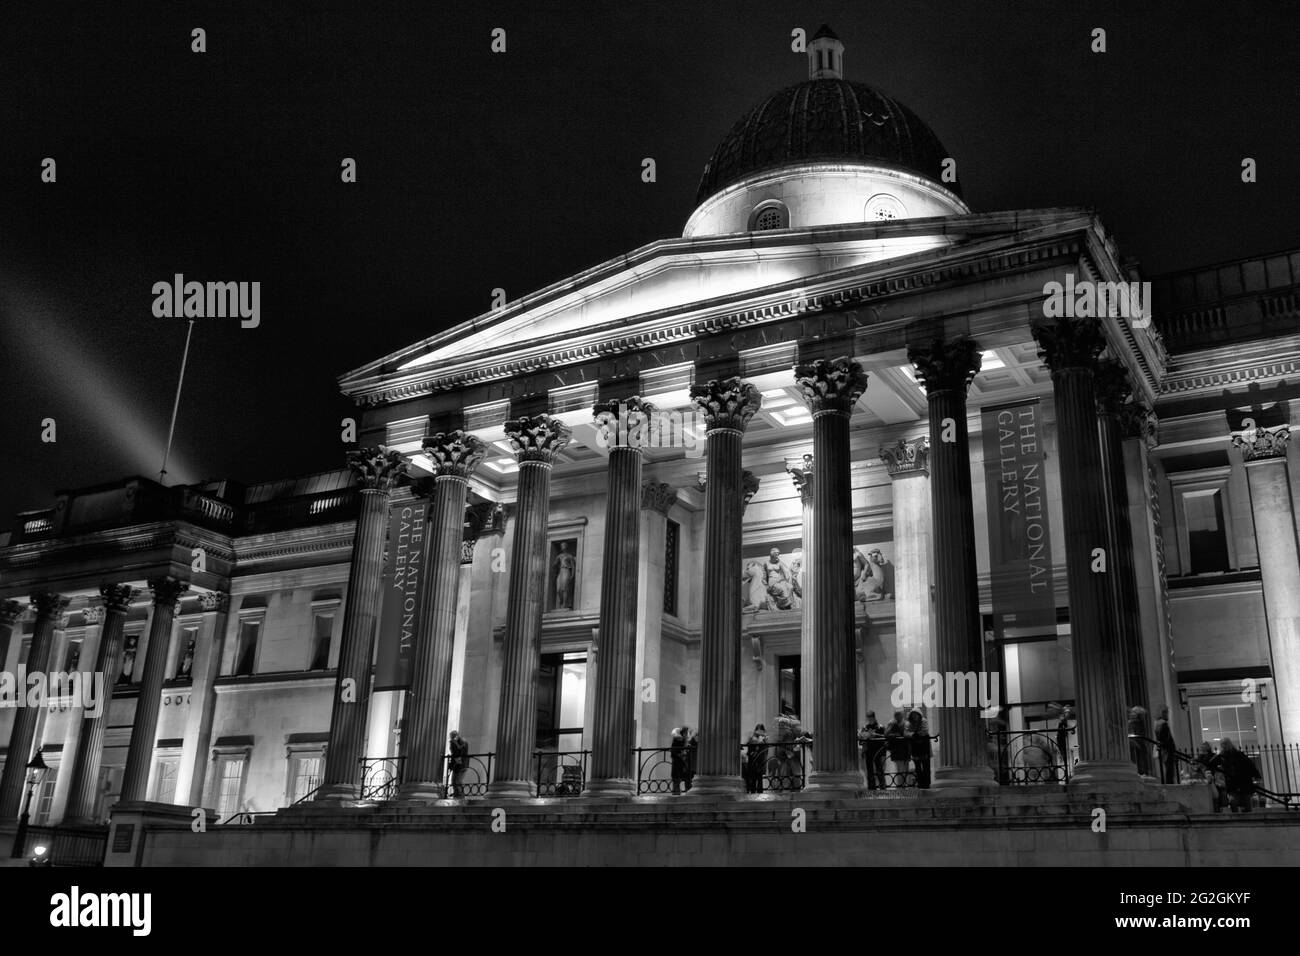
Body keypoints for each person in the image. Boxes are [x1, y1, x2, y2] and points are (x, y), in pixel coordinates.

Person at [1209, 738, 1261, 813]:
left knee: (1245, 801)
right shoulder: (1223, 756)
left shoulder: (1237, 754)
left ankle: (1246, 816)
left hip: (1242, 781)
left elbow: (1249, 765)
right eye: (1222, 744)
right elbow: (1211, 763)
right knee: (1234, 801)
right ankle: (1239, 815)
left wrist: (1256, 775)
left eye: (1225, 744)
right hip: (1234, 782)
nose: (1223, 746)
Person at [857, 711, 887, 790]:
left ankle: (882, 787)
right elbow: (861, 740)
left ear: (874, 717)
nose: (869, 719)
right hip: (869, 751)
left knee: (879, 769)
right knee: (869, 770)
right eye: (868, 718)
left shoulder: (880, 727)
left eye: (871, 718)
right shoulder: (864, 727)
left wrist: (875, 735)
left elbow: (885, 737)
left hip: (878, 751)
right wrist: (864, 737)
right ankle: (871, 787)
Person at [907, 708, 932, 789]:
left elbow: (924, 731)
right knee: (917, 767)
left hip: (924, 747)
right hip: (915, 748)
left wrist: (914, 734)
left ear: (919, 715)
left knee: (926, 766)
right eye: (913, 715)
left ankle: (927, 784)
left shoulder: (924, 721)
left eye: (916, 714)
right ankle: (920, 783)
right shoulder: (910, 723)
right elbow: (906, 732)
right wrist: (913, 734)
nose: (914, 716)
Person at [884, 709, 910, 785]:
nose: (898, 716)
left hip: (905, 749)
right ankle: (900, 785)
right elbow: (886, 734)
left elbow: (907, 733)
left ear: (902, 715)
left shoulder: (906, 723)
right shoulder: (892, 723)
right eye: (896, 715)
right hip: (896, 750)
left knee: (905, 769)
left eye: (899, 714)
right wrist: (894, 734)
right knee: (899, 769)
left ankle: (905, 785)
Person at [1153, 707, 1178, 783]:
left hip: (1164, 749)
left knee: (1167, 768)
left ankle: (1167, 782)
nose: (1168, 715)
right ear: (1163, 713)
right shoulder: (1163, 723)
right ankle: (1169, 783)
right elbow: (1166, 738)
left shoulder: (1157, 723)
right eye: (1167, 713)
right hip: (1167, 749)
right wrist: (1172, 747)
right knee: (1169, 769)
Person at [1127, 706, 1151, 776]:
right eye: (1142, 715)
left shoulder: (1133, 722)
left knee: (1139, 758)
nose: (1143, 716)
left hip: (1137, 742)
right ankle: (1142, 772)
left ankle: (1141, 771)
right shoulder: (1136, 722)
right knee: (1140, 758)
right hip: (1137, 743)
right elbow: (1135, 732)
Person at [744, 724, 768, 794]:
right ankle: (752, 791)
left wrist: (762, 742)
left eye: (761, 730)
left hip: (760, 760)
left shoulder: (764, 739)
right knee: (753, 777)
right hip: (753, 760)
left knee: (759, 777)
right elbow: (749, 749)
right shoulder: (752, 739)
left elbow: (765, 751)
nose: (759, 731)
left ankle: (759, 791)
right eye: (757, 729)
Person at [447, 730, 470, 797]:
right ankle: (457, 794)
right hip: (460, 764)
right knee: (454, 781)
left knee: (457, 781)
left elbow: (456, 753)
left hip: (460, 764)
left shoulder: (458, 742)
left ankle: (459, 794)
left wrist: (453, 743)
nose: (450, 748)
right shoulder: (462, 742)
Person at [669, 727, 688, 795]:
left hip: (678, 760)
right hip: (678, 760)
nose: (687, 735)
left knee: (677, 776)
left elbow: (673, 750)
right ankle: (676, 791)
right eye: (686, 733)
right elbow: (675, 750)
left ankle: (676, 791)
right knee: (677, 776)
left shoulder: (679, 739)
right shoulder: (679, 739)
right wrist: (681, 754)